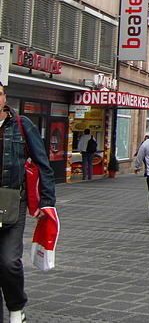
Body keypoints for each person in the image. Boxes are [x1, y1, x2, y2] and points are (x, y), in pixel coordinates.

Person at [0, 81, 56, 323]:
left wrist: (46, 202)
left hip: (12, 200)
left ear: (4, 98)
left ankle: (15, 308)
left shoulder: (21, 124)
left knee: (9, 261)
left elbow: (43, 164)